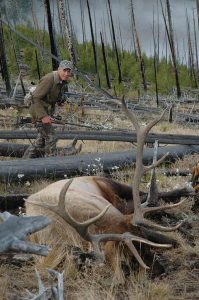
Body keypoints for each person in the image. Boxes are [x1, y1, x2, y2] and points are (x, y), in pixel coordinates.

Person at [23, 60, 73, 158]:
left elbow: (52, 97)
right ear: (59, 69)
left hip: (44, 111)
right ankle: (49, 162)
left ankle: (25, 161)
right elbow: (35, 97)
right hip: (38, 110)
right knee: (52, 138)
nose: (67, 73)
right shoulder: (49, 79)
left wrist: (60, 101)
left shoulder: (61, 81)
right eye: (65, 70)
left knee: (41, 140)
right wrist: (43, 116)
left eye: (69, 71)